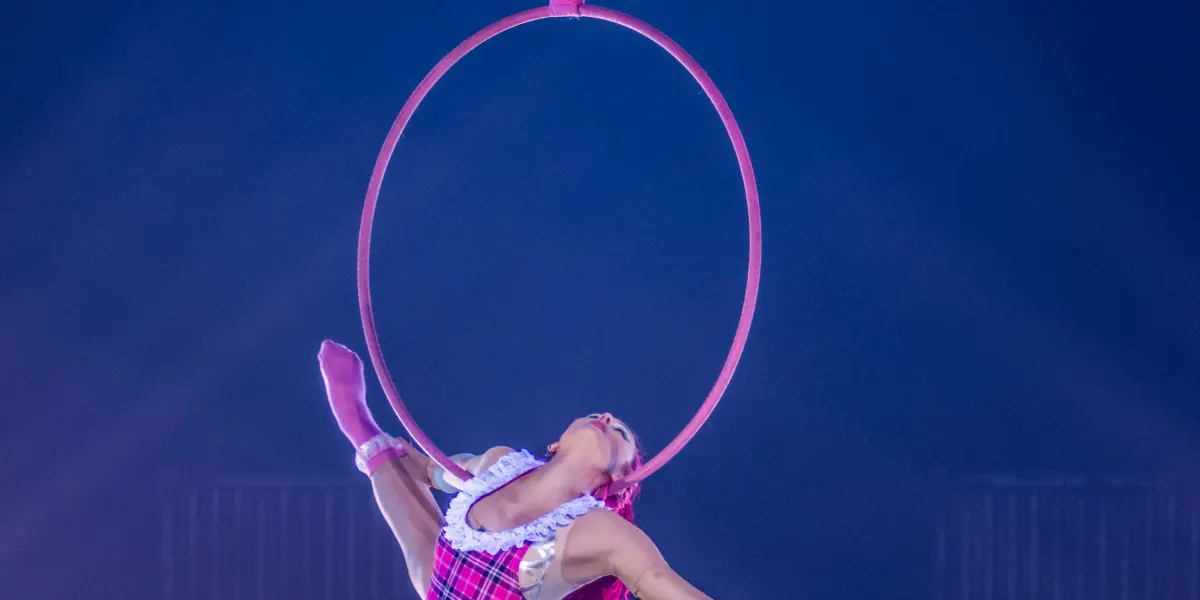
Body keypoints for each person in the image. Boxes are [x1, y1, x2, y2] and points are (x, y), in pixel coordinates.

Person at [318, 340, 712, 600]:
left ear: (618, 477)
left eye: (620, 432)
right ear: (556, 443)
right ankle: (360, 425)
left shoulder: (603, 531)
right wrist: (409, 461)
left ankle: (364, 430)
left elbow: (664, 584)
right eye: (597, 415)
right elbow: (439, 475)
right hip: (442, 583)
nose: (606, 418)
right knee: (410, 514)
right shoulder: (500, 462)